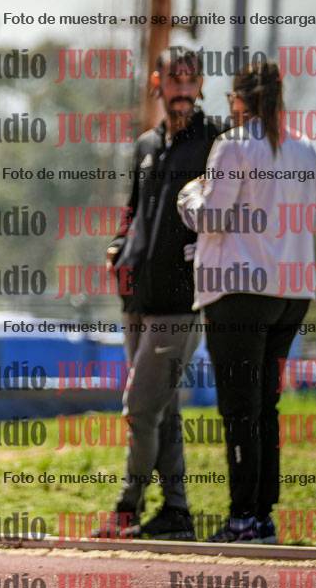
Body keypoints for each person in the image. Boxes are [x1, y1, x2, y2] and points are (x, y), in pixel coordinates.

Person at [177, 59, 316, 543]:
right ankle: (262, 515)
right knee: (266, 406)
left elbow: (211, 218)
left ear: (238, 99)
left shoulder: (233, 144)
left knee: (240, 408)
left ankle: (242, 517)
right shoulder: (304, 148)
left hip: (238, 291)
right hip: (292, 292)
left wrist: (189, 197)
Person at [95, 48, 225, 540]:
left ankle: (127, 508)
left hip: (182, 299)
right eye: (175, 81)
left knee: (140, 408)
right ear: (159, 83)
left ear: (202, 84)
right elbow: (133, 211)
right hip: (136, 296)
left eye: (191, 82)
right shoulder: (147, 144)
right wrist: (117, 246)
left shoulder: (216, 141)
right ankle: (176, 512)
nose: (183, 91)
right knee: (163, 407)